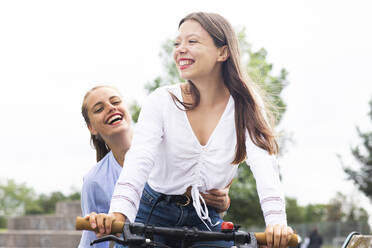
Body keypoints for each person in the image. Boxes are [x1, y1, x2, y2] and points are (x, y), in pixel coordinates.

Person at [88, 12, 294, 248]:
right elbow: (138, 161)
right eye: (178, 43)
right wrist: (118, 214)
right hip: (152, 210)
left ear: (223, 52)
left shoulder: (247, 103)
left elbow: (265, 165)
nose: (180, 49)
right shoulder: (162, 100)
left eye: (192, 41)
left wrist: (277, 222)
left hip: (206, 218)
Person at [79, 85, 231, 248]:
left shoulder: (167, 141)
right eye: (99, 109)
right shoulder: (94, 181)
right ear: (91, 128)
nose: (111, 108)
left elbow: (200, 187)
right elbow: (93, 239)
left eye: (115, 101)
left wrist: (224, 202)